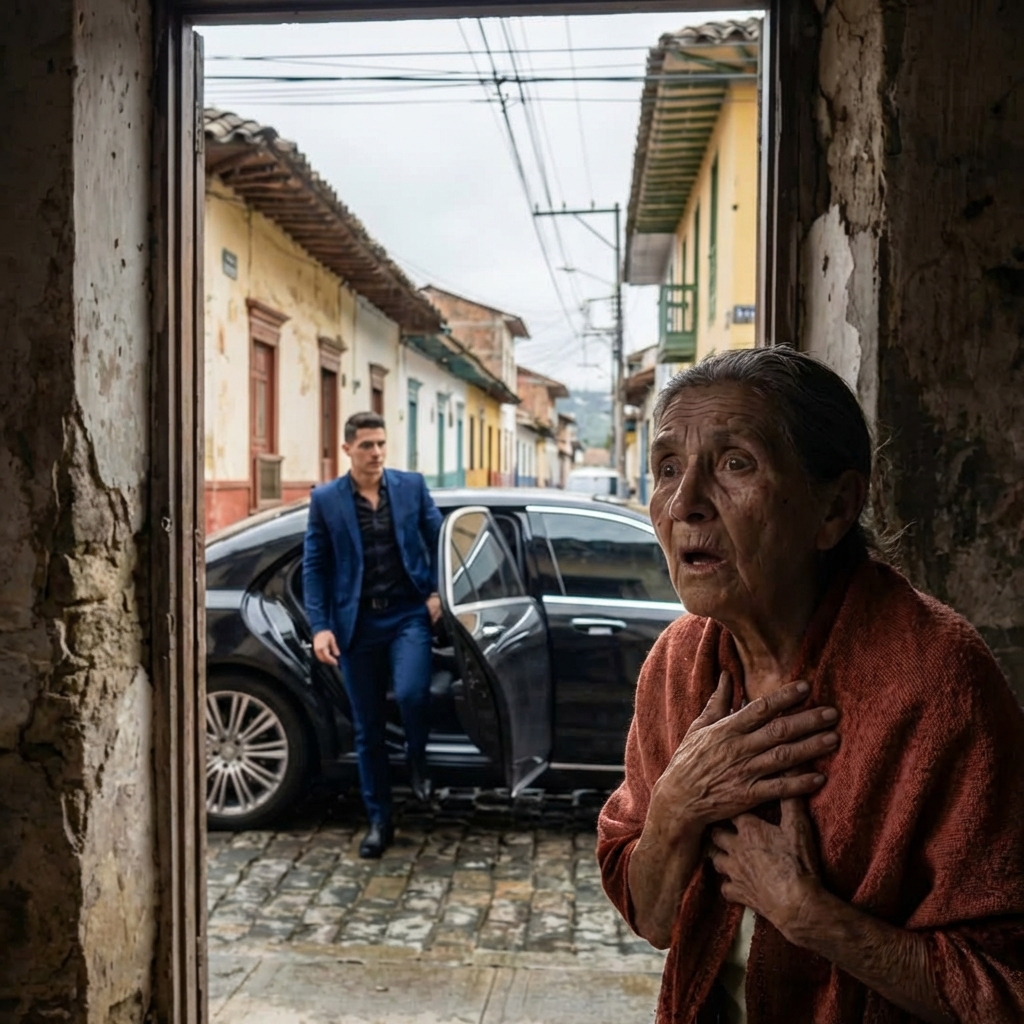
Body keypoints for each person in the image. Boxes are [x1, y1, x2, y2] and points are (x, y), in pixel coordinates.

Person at [598, 347, 1024, 1023]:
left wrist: (811, 916)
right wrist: (676, 808)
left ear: (835, 508)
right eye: (667, 468)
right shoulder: (680, 663)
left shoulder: (939, 682)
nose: (685, 504)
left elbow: (1006, 992)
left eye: (736, 463)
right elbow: (653, 921)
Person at [303, 411, 443, 859]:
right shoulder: (326, 500)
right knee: (368, 730)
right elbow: (316, 565)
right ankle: (379, 819)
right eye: (367, 445)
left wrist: (440, 592)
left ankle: (418, 758)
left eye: (381, 443)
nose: (377, 452)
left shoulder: (411, 486)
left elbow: (441, 540)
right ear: (347, 449)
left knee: (413, 693)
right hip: (356, 626)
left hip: (408, 615)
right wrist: (320, 626)